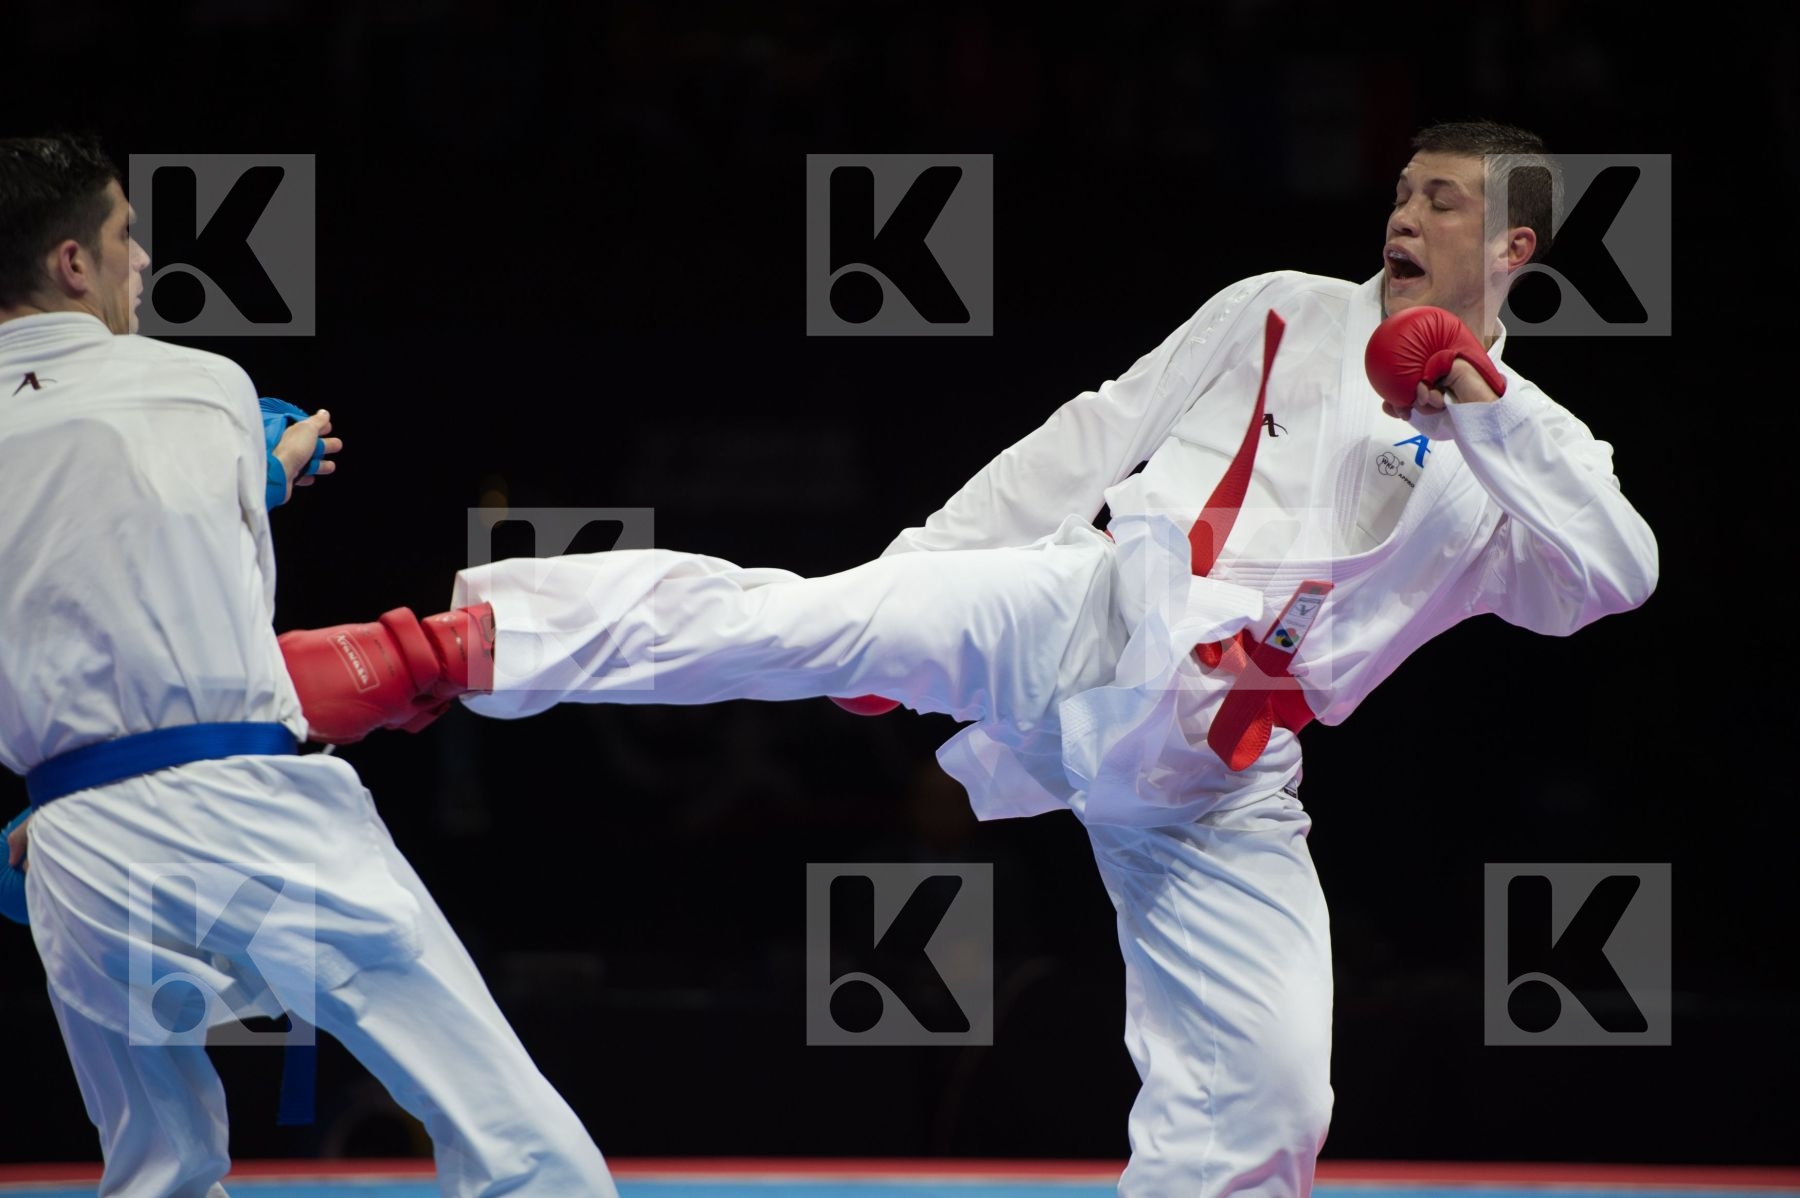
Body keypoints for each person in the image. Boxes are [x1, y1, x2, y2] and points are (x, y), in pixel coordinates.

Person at [281, 120, 1658, 1196]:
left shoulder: (1519, 470)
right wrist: (923, 571)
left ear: (1517, 248)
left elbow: (1620, 574)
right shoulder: (1285, 308)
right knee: (800, 618)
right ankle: (435, 648)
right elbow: (1090, 431)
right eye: (1403, 192)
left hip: (1220, 770)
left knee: (1276, 1094)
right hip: (1087, 607)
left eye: (1444, 201)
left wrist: (1488, 405)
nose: (1405, 216)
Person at [0, 134, 617, 1198]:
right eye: (125, 236)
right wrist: (275, 465)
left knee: (160, 1172)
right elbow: (175, 506)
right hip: (250, 814)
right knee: (512, 1133)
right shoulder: (202, 384)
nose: (141, 263)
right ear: (72, 264)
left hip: (74, 842)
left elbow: (72, 530)